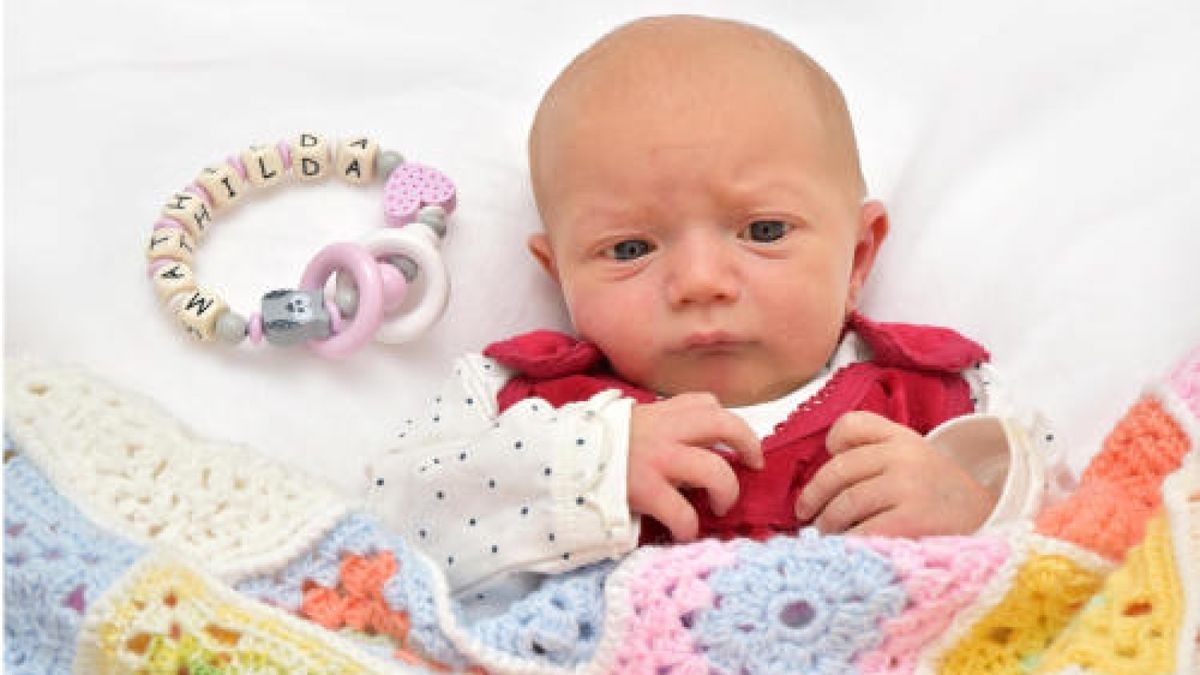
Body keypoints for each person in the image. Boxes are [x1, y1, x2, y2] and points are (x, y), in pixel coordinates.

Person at [366, 15, 1063, 605]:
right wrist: (589, 469)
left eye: (763, 231)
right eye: (630, 247)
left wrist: (974, 510)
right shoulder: (523, 410)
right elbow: (389, 518)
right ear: (561, 275)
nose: (700, 281)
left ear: (856, 258)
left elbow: (1081, 541)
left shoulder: (939, 401)